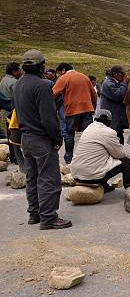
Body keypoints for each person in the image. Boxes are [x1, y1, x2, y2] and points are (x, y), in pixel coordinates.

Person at [13, 50, 71, 229]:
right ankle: (48, 218)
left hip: (26, 138)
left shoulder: (18, 84)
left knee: (32, 177)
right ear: (41, 66)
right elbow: (48, 118)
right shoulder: (42, 85)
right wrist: (57, 137)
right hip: (41, 139)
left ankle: (34, 214)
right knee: (48, 178)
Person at [70, 109, 130, 191]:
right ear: (109, 122)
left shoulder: (87, 129)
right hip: (92, 177)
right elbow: (119, 154)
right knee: (126, 162)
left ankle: (104, 186)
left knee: (100, 159)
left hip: (77, 175)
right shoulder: (109, 132)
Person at [52, 63, 97, 164]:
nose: (59, 75)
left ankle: (69, 158)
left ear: (63, 70)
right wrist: (93, 107)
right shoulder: (84, 77)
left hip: (72, 110)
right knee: (89, 134)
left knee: (69, 134)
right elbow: (93, 94)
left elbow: (53, 93)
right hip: (87, 109)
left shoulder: (64, 78)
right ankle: (91, 157)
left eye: (59, 73)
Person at [0, 62, 23, 165]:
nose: (21, 72)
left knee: (9, 134)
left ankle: (12, 155)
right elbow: (17, 98)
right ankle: (17, 157)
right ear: (14, 72)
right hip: (13, 112)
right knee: (16, 135)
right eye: (19, 70)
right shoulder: (14, 82)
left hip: (6, 112)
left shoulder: (3, 80)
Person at [100, 66, 129, 144]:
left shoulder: (116, 82)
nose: (123, 75)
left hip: (117, 117)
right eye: (121, 73)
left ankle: (119, 154)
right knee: (114, 138)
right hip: (112, 117)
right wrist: (124, 84)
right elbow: (118, 95)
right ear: (114, 74)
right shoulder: (108, 83)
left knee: (119, 137)